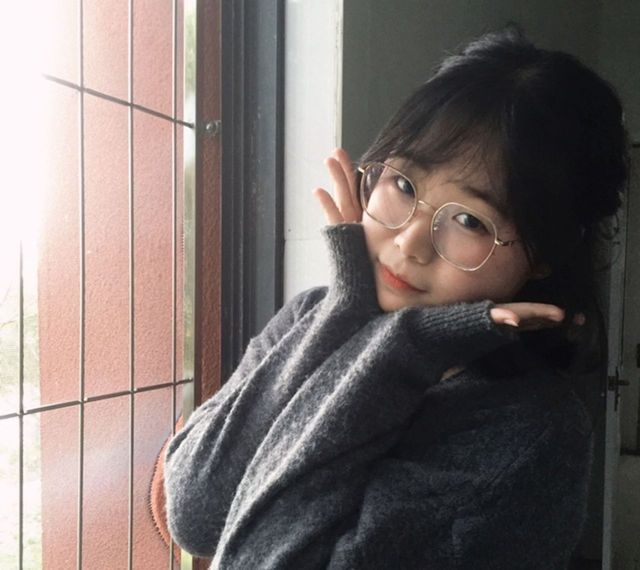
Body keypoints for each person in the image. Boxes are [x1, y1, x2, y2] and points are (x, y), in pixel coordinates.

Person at [163, 27, 629, 569]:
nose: (409, 242)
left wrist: (401, 352)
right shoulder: (315, 315)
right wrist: (343, 315)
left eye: (469, 220)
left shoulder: (531, 433)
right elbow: (195, 510)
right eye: (404, 185)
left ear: (545, 255)